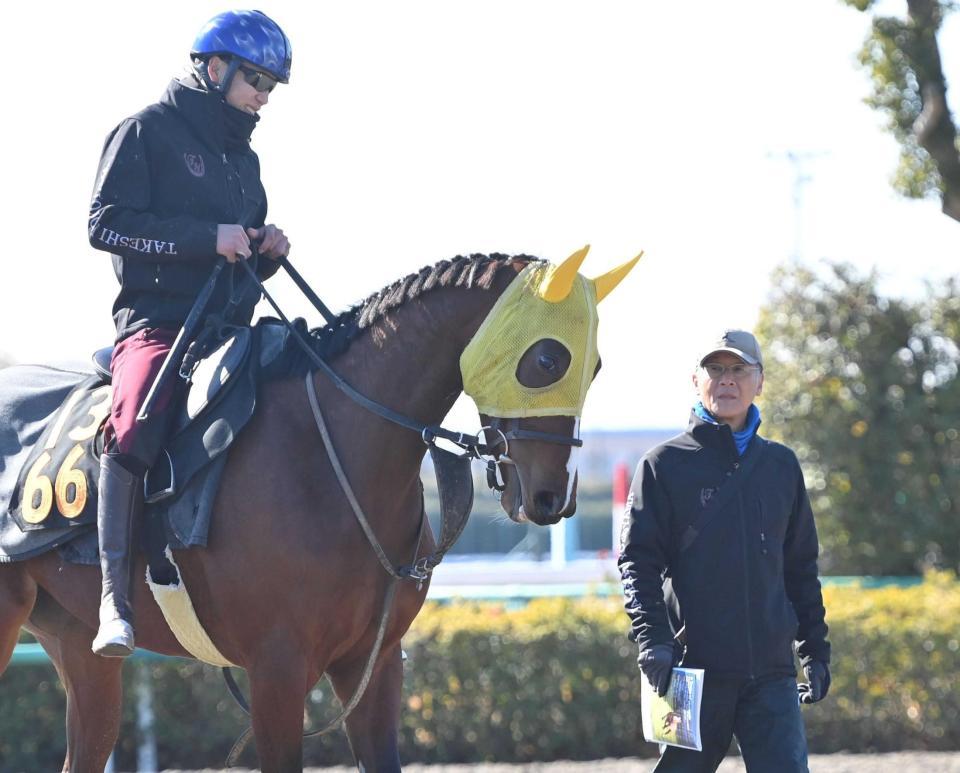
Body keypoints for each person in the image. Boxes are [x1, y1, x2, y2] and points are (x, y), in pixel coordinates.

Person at [87, 10, 293, 657]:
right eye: (255, 79)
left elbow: (235, 258)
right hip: (155, 326)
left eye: (270, 85)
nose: (262, 95)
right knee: (137, 420)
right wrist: (209, 239)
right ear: (214, 68)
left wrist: (263, 252)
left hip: (225, 326)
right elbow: (105, 225)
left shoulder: (246, 161)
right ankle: (114, 601)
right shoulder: (145, 131)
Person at [618, 330, 831, 772]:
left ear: (760, 381)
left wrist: (814, 649)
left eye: (739, 370)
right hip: (690, 674)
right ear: (695, 380)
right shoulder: (661, 465)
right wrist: (653, 641)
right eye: (715, 369)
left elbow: (800, 566)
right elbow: (637, 563)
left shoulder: (782, 465)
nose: (727, 380)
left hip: (772, 674)